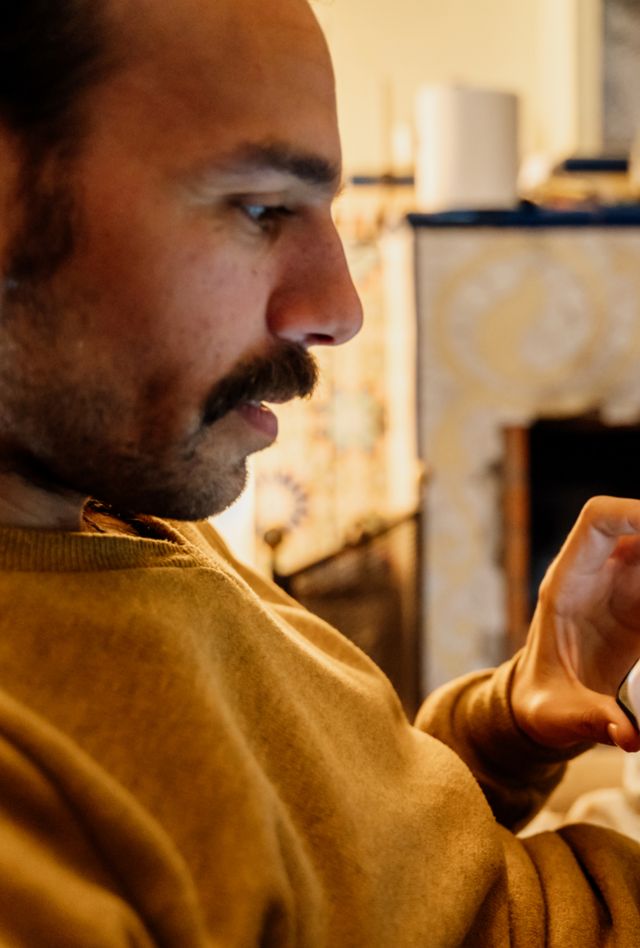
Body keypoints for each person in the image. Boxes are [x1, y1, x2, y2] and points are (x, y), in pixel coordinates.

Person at [1, 1, 640, 944]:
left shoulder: (111, 497)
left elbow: (341, 871)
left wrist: (511, 719)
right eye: (260, 209)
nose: (340, 310)